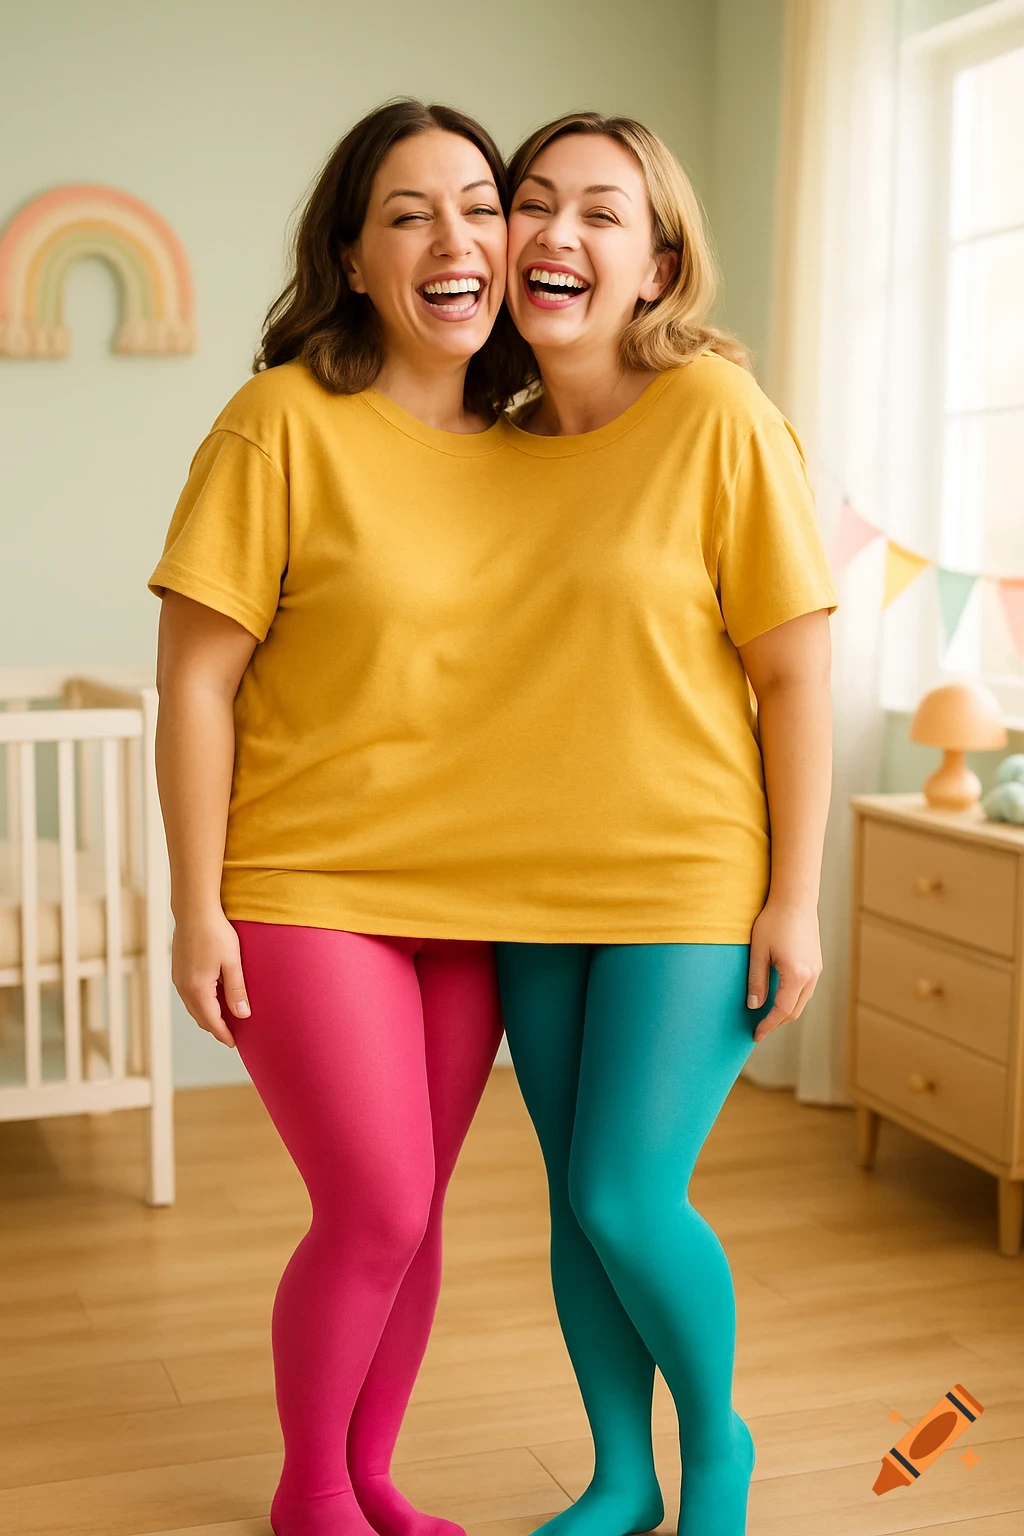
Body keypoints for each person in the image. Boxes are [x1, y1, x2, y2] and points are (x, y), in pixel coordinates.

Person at [148, 99, 531, 1536]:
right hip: (305, 884)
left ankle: (375, 1478)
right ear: (356, 256)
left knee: (417, 1213)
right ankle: (313, 1498)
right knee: (372, 1205)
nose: (456, 239)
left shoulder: (529, 444)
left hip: (482, 893)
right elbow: (194, 684)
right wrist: (195, 906)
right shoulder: (279, 423)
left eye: (481, 205)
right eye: (410, 212)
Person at [490, 113, 838, 1536]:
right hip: (525, 877)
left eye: (600, 213)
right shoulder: (491, 449)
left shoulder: (717, 414)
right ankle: (620, 1475)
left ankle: (717, 1448)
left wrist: (795, 895)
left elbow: (796, 667)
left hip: (693, 876)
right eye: (532, 203)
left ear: (657, 262)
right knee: (576, 1201)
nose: (557, 234)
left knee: (630, 1194)